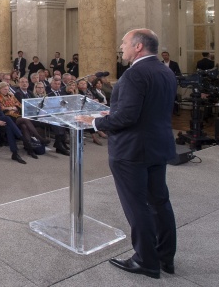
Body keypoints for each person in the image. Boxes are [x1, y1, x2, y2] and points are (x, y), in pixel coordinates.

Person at [76, 29, 177, 279]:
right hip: (158, 145)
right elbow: (149, 110)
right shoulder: (166, 70)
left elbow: (129, 117)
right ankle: (165, 258)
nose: (121, 47)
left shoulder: (134, 74)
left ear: (139, 46)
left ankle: (145, 261)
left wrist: (95, 122)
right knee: (159, 202)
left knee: (137, 206)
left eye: (124, 43)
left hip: (132, 150)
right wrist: (112, 113)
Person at [0, 82, 49, 159]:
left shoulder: (11, 95)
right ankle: (39, 138)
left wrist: (15, 107)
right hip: (8, 117)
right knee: (25, 119)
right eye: (4, 89)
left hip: (16, 115)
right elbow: (0, 108)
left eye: (7, 89)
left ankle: (29, 149)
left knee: (24, 126)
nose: (6, 91)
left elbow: (19, 104)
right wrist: (11, 108)